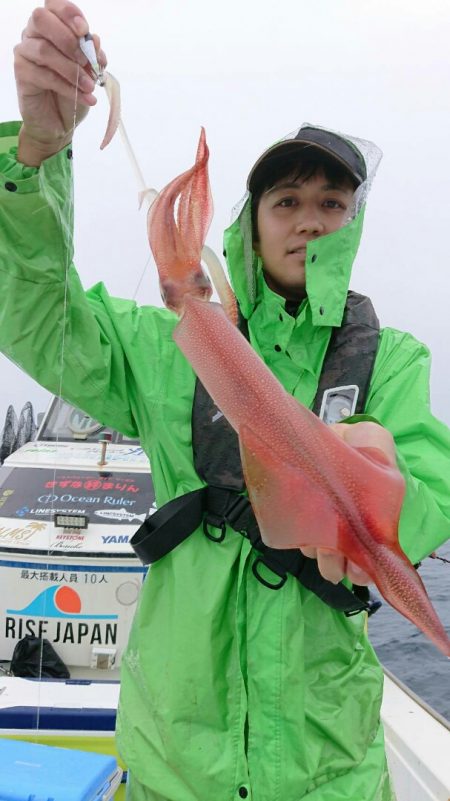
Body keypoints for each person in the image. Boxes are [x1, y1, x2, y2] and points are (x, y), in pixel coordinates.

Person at [1, 3, 450, 799]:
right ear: (251, 221)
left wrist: (388, 493)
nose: (309, 222)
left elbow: (428, 492)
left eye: (331, 204)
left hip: (326, 772)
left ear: (354, 222)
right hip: (177, 765)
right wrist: (35, 152)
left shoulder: (392, 359)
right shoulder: (165, 343)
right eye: (287, 201)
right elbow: (40, 317)